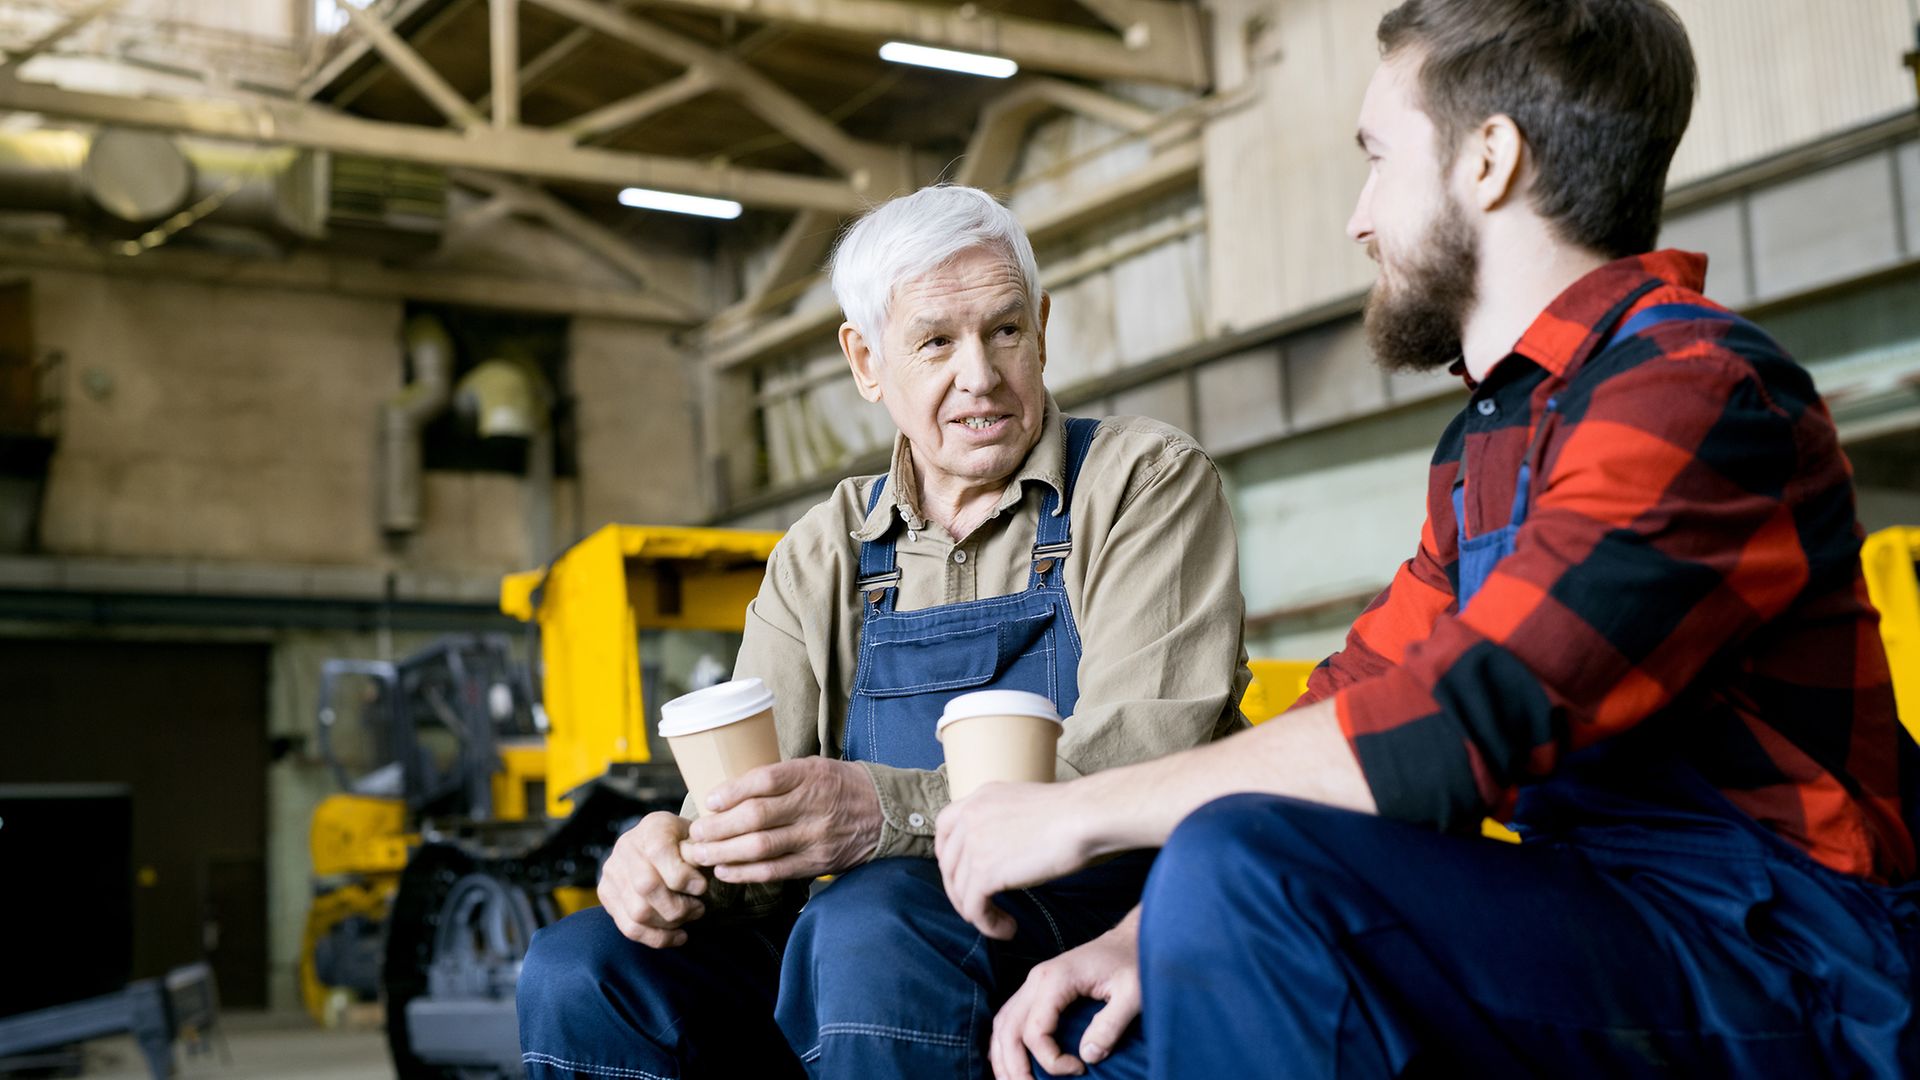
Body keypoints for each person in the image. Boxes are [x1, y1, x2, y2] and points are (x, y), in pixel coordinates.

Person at [935, 2, 1920, 1077]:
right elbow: (1357, 692)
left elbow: (1456, 724)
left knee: (1241, 863)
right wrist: (1145, 935)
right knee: (1107, 1041)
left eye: (1377, 159)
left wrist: (1074, 816)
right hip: (1607, 914)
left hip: (1793, 957)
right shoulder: (1491, 439)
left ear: (1488, 159)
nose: (1360, 218)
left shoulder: (1694, 393)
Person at [515, 184, 1253, 1079]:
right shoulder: (822, 551)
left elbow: (1136, 766)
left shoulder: (1143, 484)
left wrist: (884, 813)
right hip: (872, 930)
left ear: (1044, 328)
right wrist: (671, 857)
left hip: (1095, 909)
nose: (979, 374)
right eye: (936, 341)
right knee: (580, 970)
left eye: (1006, 331)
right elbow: (753, 813)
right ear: (867, 362)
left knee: (867, 922)